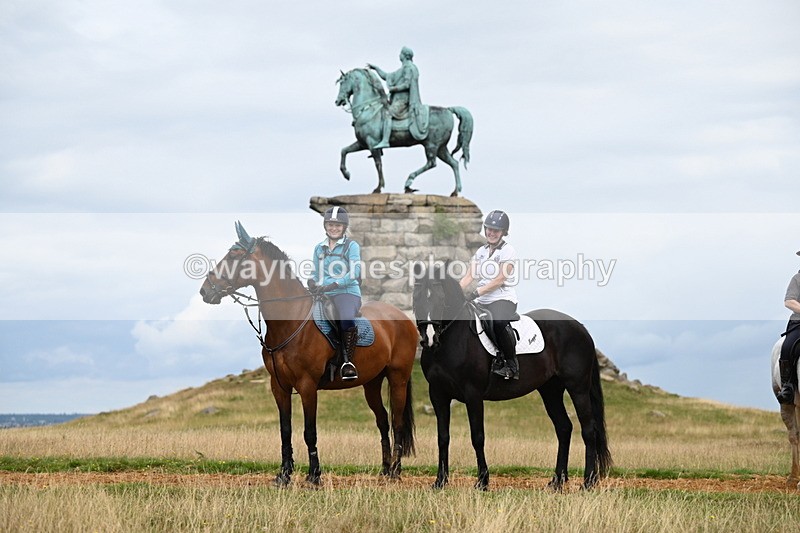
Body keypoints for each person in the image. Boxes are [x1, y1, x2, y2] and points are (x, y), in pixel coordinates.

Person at [460, 210, 520, 380]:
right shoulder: (481, 251)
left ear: (503, 232)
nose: (492, 233)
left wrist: (476, 292)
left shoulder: (508, 251)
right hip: (482, 299)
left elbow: (500, 279)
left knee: (498, 322)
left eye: (496, 230)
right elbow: (469, 276)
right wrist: (455, 292)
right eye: (489, 229)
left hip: (503, 299)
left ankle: (511, 364)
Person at [309, 207, 362, 381]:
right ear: (325, 226)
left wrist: (335, 284)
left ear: (344, 227)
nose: (334, 228)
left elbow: (355, 271)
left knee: (345, 319)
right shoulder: (319, 248)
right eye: (331, 224)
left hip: (346, 292)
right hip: (323, 293)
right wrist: (311, 282)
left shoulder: (350, 246)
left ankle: (348, 362)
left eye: (338, 225)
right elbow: (316, 273)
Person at [366, 46, 428, 149]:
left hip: (403, 100)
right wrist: (376, 68)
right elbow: (387, 76)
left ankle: (385, 140)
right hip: (398, 100)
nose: (399, 55)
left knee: (387, 113)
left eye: (400, 53)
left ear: (404, 55)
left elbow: (407, 84)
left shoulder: (409, 68)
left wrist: (394, 89)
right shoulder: (403, 69)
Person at [777, 250, 800, 404]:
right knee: (787, 346)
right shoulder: (797, 279)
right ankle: (787, 386)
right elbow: (789, 301)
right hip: (799, 322)